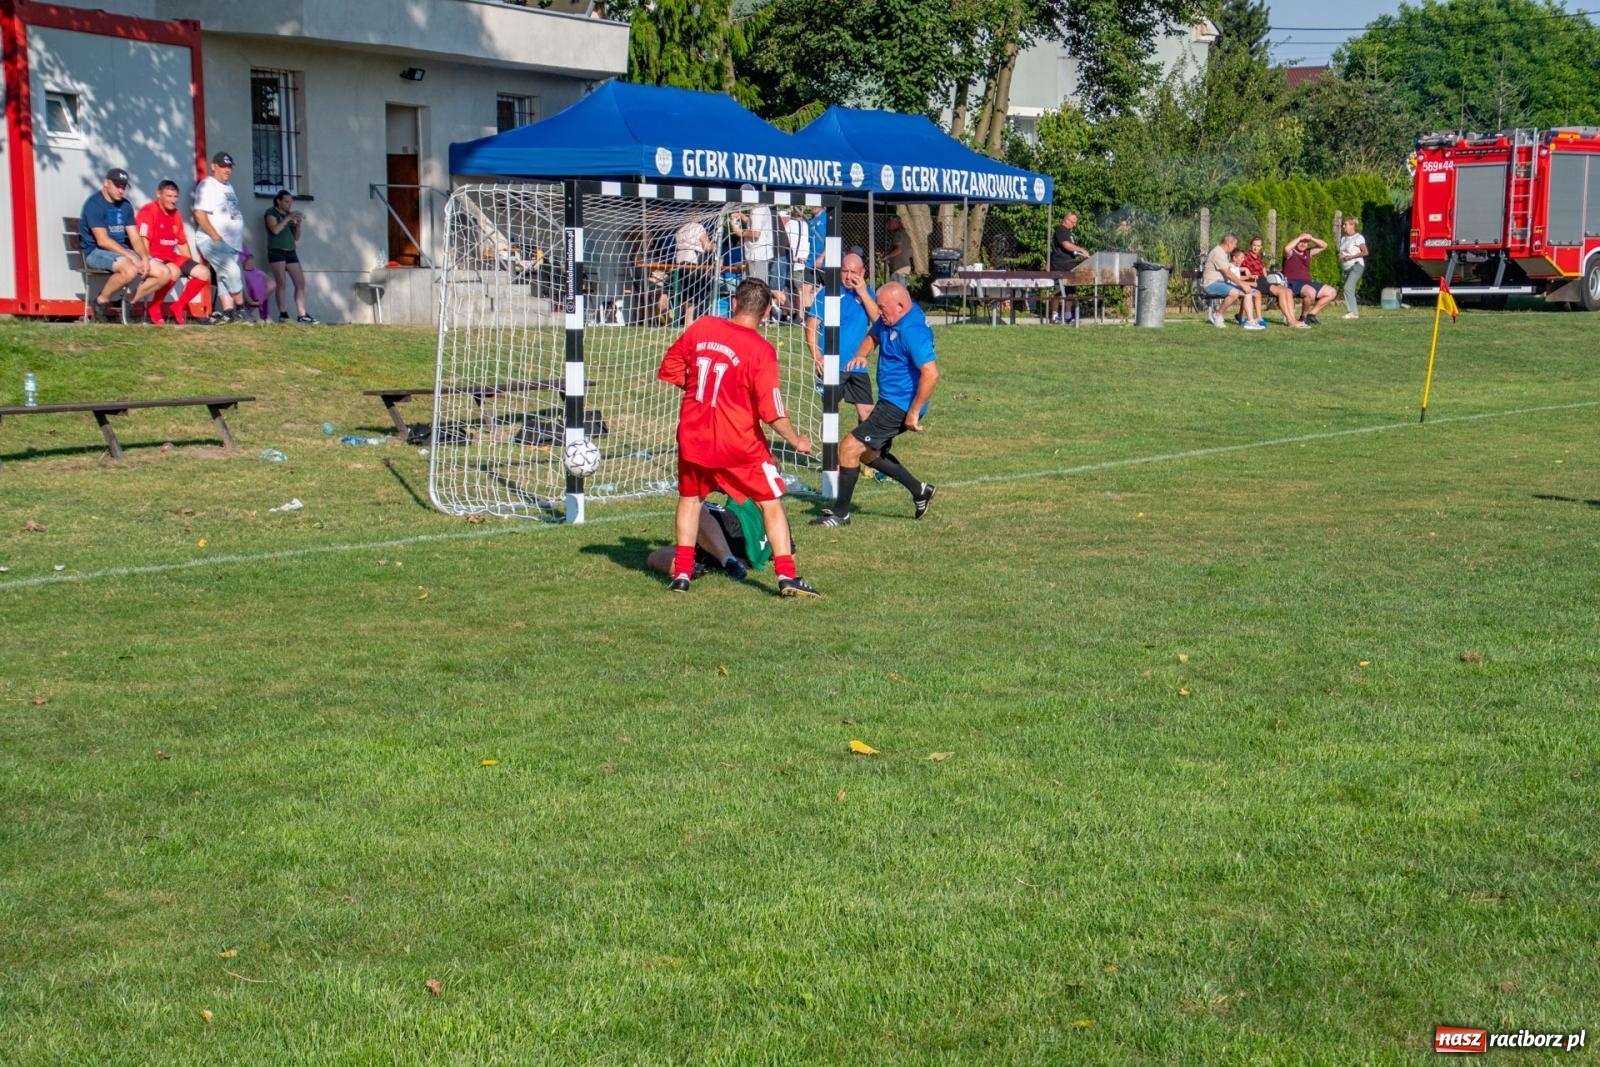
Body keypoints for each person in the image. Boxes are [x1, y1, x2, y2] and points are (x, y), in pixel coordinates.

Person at [656, 277, 820, 598]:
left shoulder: (702, 328)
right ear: (767, 311)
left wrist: (704, 393)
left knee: (691, 500)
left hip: (694, 437)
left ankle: (683, 574)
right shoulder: (760, 350)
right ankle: (787, 575)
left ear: (733, 303)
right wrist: (796, 440)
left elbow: (672, 367)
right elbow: (771, 411)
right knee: (770, 503)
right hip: (738, 444)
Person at [810, 281, 937, 528]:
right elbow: (873, 334)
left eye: (883, 308)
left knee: (847, 448)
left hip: (900, 405)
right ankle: (919, 490)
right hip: (889, 401)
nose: (879, 313)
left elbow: (931, 374)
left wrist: (912, 413)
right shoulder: (892, 318)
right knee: (868, 454)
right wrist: (861, 354)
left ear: (900, 306)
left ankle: (841, 514)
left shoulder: (913, 330)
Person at [805, 251, 880, 422]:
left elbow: (878, 321)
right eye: (845, 271)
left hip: (856, 365)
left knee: (867, 413)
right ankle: (829, 449)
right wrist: (817, 356)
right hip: (831, 365)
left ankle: (867, 449)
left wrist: (863, 294)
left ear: (862, 273)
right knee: (831, 412)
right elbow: (811, 325)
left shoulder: (868, 294)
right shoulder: (827, 293)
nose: (848, 276)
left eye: (854, 272)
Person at [80, 167, 160, 322]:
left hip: (121, 251)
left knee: (163, 273)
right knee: (130, 269)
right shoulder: (94, 204)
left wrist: (144, 257)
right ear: (106, 183)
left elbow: (135, 237)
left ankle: (126, 302)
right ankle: (100, 301)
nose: (121, 190)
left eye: (123, 187)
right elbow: (102, 240)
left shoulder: (125, 205)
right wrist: (130, 256)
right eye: (117, 186)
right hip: (96, 251)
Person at [134, 179, 213, 326]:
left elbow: (182, 242)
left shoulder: (176, 214)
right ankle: (155, 306)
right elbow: (143, 240)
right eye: (169, 196)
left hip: (171, 256)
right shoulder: (148, 211)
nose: (173, 200)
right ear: (159, 195)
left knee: (203, 273)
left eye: (175, 197)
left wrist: (190, 265)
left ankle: (178, 306)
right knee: (174, 271)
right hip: (154, 255)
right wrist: (146, 260)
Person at [645, 497, 771, 582]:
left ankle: (727, 559)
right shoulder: (777, 520)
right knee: (654, 557)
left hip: (732, 525)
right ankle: (700, 566)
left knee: (694, 506)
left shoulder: (750, 485)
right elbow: (788, 550)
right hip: (742, 554)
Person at [192, 152, 247, 324]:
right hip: (213, 240)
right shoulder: (207, 185)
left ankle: (228, 312)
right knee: (232, 272)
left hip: (231, 242)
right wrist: (215, 236)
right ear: (213, 166)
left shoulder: (228, 186)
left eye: (229, 166)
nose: (227, 170)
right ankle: (241, 310)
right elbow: (199, 214)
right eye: (223, 166)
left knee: (225, 276)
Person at [264, 190, 315, 323]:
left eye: (291, 202)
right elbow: (275, 230)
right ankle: (283, 314)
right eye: (286, 201)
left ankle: (302, 314)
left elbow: (296, 237)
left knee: (300, 283)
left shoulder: (289, 216)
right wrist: (288, 218)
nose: (289, 204)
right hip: (276, 251)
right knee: (281, 283)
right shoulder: (271, 213)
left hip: (291, 251)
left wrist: (298, 223)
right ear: (278, 201)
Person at [1199, 234, 1263, 330]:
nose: (1235, 247)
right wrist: (1242, 284)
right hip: (1211, 284)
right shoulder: (1218, 253)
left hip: (1221, 283)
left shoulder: (1222, 253)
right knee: (1235, 292)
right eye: (1234, 244)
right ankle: (1217, 315)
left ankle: (1250, 321)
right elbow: (1228, 273)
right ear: (1229, 243)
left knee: (1247, 291)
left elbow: (1229, 268)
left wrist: (1244, 273)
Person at [1281, 232, 1339, 324]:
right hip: (1292, 283)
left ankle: (1310, 315)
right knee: (1310, 292)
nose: (1303, 244)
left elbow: (1324, 245)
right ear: (1297, 241)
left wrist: (1311, 238)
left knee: (1332, 292)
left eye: (1305, 242)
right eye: (1301, 241)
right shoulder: (1290, 253)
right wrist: (1299, 238)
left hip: (1307, 283)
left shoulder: (1308, 252)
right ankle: (1303, 317)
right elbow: (1286, 248)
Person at [672, 213, 714, 326]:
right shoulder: (698, 227)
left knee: (685, 291)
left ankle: (685, 319)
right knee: (695, 291)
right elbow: (706, 245)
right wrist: (714, 246)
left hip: (680, 261)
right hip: (693, 260)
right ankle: (691, 320)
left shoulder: (680, 229)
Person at [1048, 210, 1089, 323]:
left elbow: (1071, 250)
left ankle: (1067, 316)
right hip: (1059, 266)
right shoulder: (1061, 231)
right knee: (1058, 290)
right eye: (1073, 222)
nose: (1074, 225)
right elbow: (1066, 245)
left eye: (1075, 222)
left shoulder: (1068, 233)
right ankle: (1054, 316)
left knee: (1070, 290)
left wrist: (1080, 254)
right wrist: (1081, 249)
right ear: (1067, 220)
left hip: (1069, 265)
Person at [1227, 248, 1267, 327]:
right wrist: (1251, 283)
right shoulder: (1230, 267)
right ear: (1234, 258)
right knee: (1250, 292)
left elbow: (1238, 277)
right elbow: (1235, 281)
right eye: (1241, 257)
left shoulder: (1235, 267)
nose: (1243, 259)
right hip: (1233, 287)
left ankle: (1257, 317)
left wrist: (1250, 276)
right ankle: (1247, 318)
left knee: (1257, 293)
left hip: (1238, 286)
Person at [238, 242, 277, 322]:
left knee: (272, 283)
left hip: (250, 270)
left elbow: (249, 256)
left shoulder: (239, 241)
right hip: (239, 271)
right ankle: (253, 309)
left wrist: (248, 262)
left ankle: (255, 306)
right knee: (251, 282)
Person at [1338, 217, 1368, 319]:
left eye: (1345, 224)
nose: (1343, 226)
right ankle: (1353, 312)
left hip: (1356, 265)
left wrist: (1351, 257)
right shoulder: (1343, 238)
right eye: (1344, 224)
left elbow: (1365, 252)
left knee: (1347, 287)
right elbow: (1343, 252)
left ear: (1352, 226)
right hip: (1346, 267)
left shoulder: (1358, 237)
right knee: (1348, 289)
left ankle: (1353, 312)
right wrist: (1341, 256)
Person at [884, 215, 911, 283]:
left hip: (899, 269)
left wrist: (887, 256)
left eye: (890, 222)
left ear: (897, 223)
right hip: (905, 267)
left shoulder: (897, 234)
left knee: (898, 290)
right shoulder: (905, 234)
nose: (887, 225)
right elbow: (911, 252)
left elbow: (899, 249)